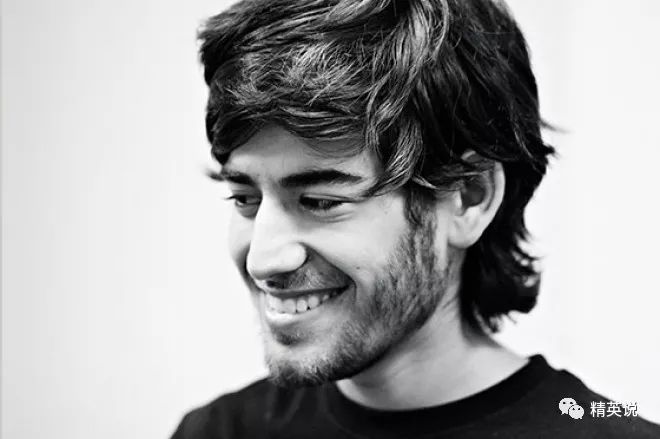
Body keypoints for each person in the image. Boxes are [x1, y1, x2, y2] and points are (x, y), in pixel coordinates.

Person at [172, 0, 660, 437]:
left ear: (468, 198)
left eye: (320, 201)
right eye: (245, 199)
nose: (263, 260)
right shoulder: (218, 432)